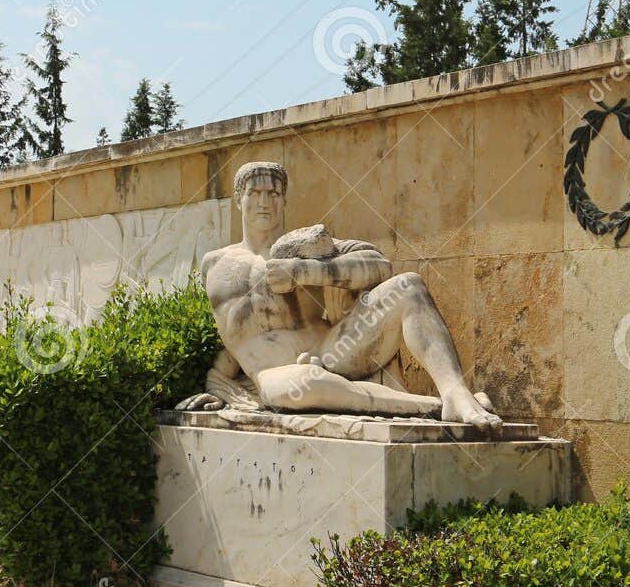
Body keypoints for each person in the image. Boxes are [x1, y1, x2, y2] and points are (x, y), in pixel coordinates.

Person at [180, 162, 502, 435]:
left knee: (409, 287)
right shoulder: (214, 264)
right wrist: (220, 385)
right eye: (255, 193)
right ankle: (434, 406)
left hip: (335, 350)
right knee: (306, 383)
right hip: (277, 375)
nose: (265, 202)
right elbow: (232, 329)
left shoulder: (302, 246)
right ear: (239, 200)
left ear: (284, 201)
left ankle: (455, 391)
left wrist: (305, 272)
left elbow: (378, 265)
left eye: (274, 194)